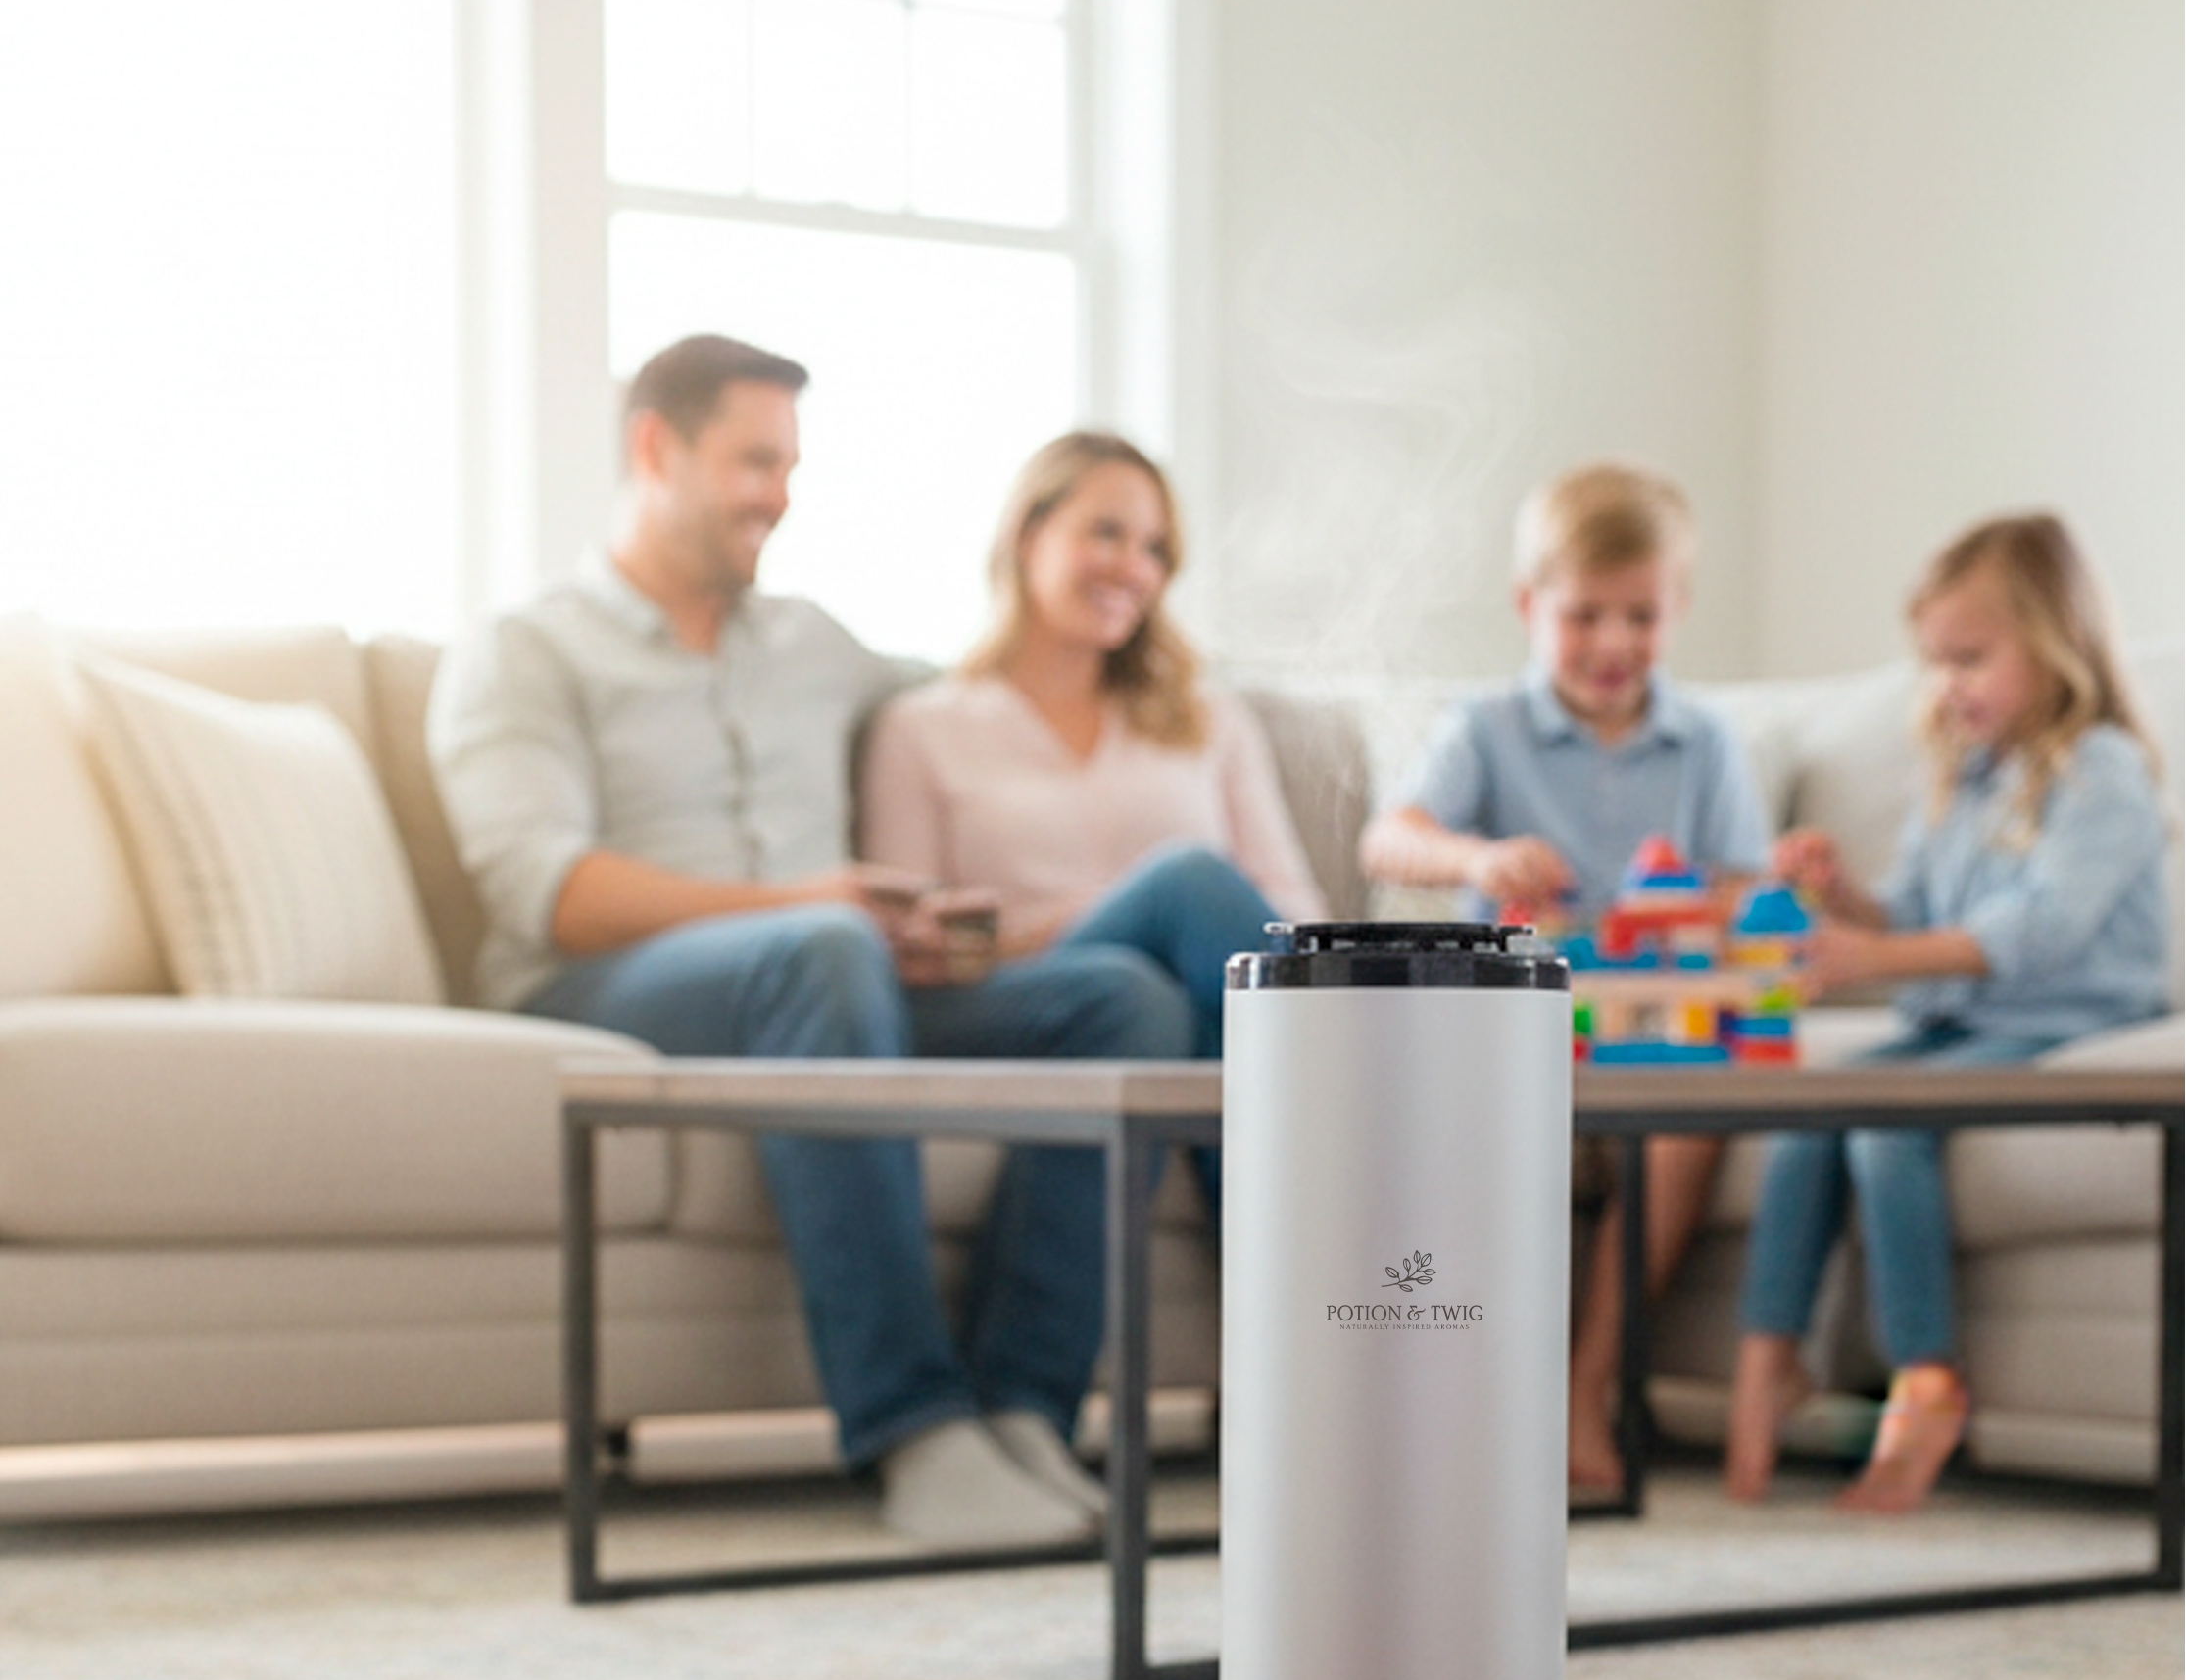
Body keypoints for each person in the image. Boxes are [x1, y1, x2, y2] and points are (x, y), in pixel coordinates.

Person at [427, 335, 1196, 1552]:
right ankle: (909, 1424)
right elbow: (548, 890)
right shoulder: (526, 649)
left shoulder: (816, 645)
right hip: (607, 991)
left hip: (828, 983)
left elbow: (978, 699)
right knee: (824, 947)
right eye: (753, 461)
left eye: (789, 466)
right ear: (654, 448)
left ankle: (1022, 1408)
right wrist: (803, 902)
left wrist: (1091, 600)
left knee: (1122, 997)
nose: (778, 495)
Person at [1725, 511, 2169, 1512]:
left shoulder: (2099, 768)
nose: (1946, 685)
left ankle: (1926, 1382)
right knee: (1806, 1113)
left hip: (2062, 1017)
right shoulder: (1964, 775)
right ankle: (1768, 1357)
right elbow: (1916, 912)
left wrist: (1874, 958)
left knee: (1886, 1125)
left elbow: (2036, 930)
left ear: (2054, 643)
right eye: (1934, 661)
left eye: (1970, 658)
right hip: (1959, 1021)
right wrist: (1843, 896)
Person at [1357, 460, 1769, 1490]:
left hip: (1646, 1029)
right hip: (1508, 1026)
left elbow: (1741, 884)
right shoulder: (1485, 728)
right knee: (1464, 1124)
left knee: (1690, 1114)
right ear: (1528, 606)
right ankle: (1460, 1400)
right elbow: (1386, 839)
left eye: (1640, 616)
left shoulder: (1704, 742)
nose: (1612, 643)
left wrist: (1708, 900)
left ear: (1676, 609)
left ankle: (1581, 1393)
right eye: (1584, 615)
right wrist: (1478, 857)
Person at [857, 431, 1324, 1206]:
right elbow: (914, 955)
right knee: (1185, 883)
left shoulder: (1211, 720)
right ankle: (1366, 1093)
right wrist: (1081, 917)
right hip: (1021, 995)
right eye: (1106, 533)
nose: (1132, 568)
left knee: (1190, 1014)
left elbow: (1294, 914)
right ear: (1028, 535)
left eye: (1154, 549)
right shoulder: (923, 727)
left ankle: (1298, 1263)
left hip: (1176, 1003)